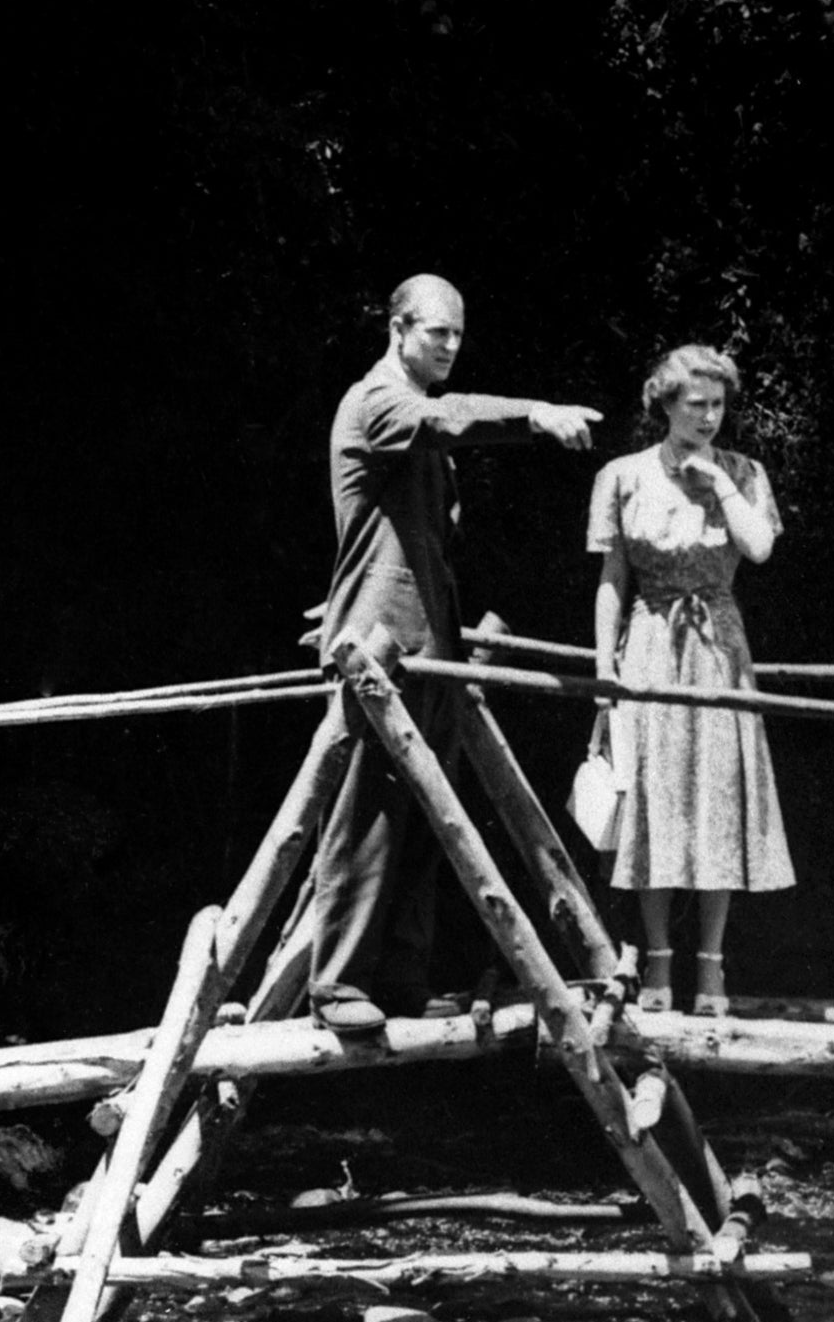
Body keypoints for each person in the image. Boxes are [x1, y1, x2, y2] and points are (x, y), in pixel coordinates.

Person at [309, 274, 600, 1033]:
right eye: (437, 332)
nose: (449, 347)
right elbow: (447, 423)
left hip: (430, 638)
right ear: (398, 328)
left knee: (427, 814)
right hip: (380, 645)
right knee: (369, 809)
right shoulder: (377, 401)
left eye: (458, 336)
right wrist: (535, 416)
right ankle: (338, 984)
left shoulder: (411, 408)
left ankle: (400, 978)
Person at [587, 344, 794, 1015]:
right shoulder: (622, 475)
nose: (709, 417)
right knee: (655, 800)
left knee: (717, 800)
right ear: (665, 406)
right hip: (649, 643)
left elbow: (760, 549)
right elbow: (613, 581)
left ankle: (712, 969)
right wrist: (603, 667)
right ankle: (656, 963)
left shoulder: (742, 471)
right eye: (695, 404)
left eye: (718, 405)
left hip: (720, 650)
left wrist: (721, 486)